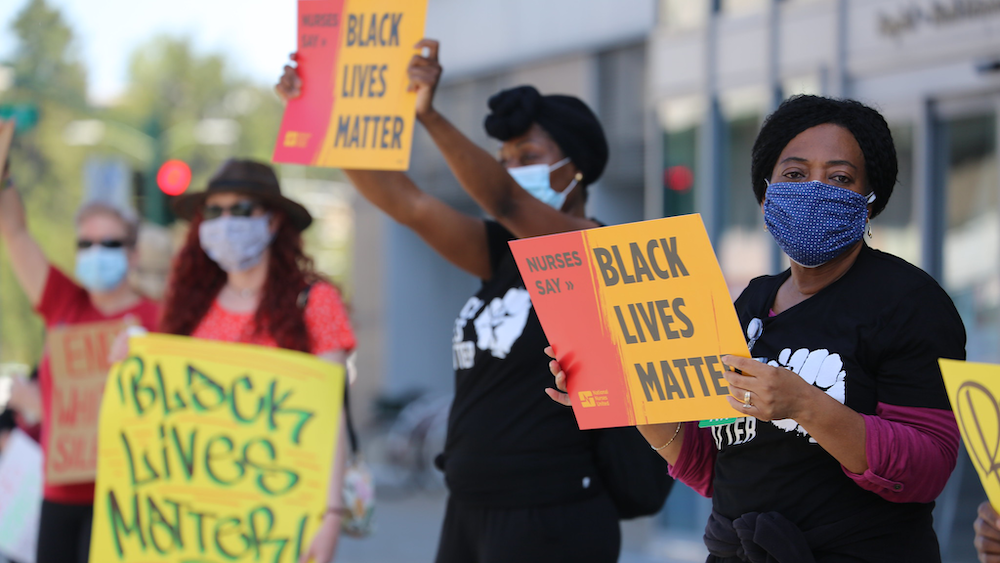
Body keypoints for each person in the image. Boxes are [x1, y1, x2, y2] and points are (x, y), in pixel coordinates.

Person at [547, 94, 967, 562]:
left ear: (869, 202)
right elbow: (710, 466)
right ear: (767, 194)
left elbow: (928, 467)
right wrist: (629, 389)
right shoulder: (749, 302)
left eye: (840, 178)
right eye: (795, 174)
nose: (814, 189)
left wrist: (804, 403)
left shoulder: (909, 301)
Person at [277, 38, 623, 562]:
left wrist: (431, 116)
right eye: (504, 159)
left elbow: (504, 198)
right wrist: (316, 113)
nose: (510, 169)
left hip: (549, 512)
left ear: (576, 170)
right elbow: (407, 202)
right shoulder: (500, 252)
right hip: (469, 505)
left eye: (527, 156)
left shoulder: (592, 251)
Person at [161, 158, 356, 563]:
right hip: (201, 512)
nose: (225, 221)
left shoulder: (315, 302)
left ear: (272, 222)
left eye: (241, 209)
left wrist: (331, 513)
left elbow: (330, 414)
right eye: (214, 211)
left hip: (284, 508)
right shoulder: (189, 310)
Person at [0, 158, 160, 563]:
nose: (96, 252)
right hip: (59, 491)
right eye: (85, 243)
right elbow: (15, 233)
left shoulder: (160, 319)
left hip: (126, 495)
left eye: (110, 244)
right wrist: (4, 177)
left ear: (134, 254)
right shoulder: (62, 303)